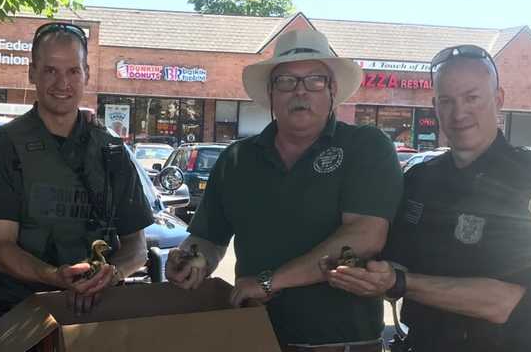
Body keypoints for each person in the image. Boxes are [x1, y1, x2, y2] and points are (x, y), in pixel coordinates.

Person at [165, 29, 403, 351]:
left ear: (332, 89)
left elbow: (365, 235)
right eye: (286, 81)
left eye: (314, 80)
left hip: (343, 342)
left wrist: (269, 281)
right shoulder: (238, 158)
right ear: (271, 93)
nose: (300, 92)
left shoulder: (366, 146)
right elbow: (208, 237)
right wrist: (192, 260)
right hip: (254, 335)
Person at [327, 45, 531, 352]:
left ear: (498, 100)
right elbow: (395, 263)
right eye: (447, 101)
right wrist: (358, 268)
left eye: (472, 98)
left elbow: (507, 302)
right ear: (435, 106)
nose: (459, 113)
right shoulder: (419, 180)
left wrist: (400, 282)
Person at [0, 22, 152, 318]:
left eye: (72, 71)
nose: (62, 83)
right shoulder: (3, 147)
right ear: (32, 73)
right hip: (22, 312)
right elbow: (1, 247)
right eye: (50, 70)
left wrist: (110, 275)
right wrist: (54, 276)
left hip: (99, 315)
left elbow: (137, 246)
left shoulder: (111, 150)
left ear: (87, 74)